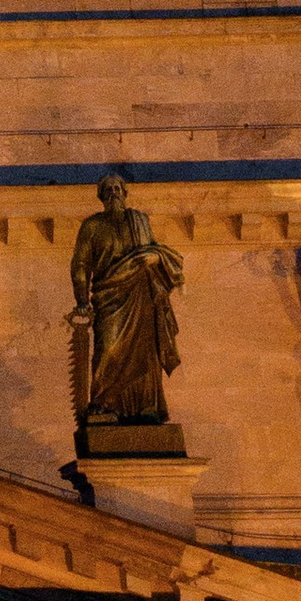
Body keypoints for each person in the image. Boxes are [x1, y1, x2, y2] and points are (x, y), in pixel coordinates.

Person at [69, 175, 182, 426]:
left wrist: (155, 258)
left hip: (141, 293)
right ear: (101, 196)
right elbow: (80, 264)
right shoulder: (92, 226)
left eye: (118, 188)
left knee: (145, 354)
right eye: (108, 190)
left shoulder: (140, 220)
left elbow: (157, 251)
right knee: (108, 348)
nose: (113, 193)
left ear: (125, 192)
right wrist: (82, 301)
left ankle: (146, 407)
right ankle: (102, 403)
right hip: (108, 296)